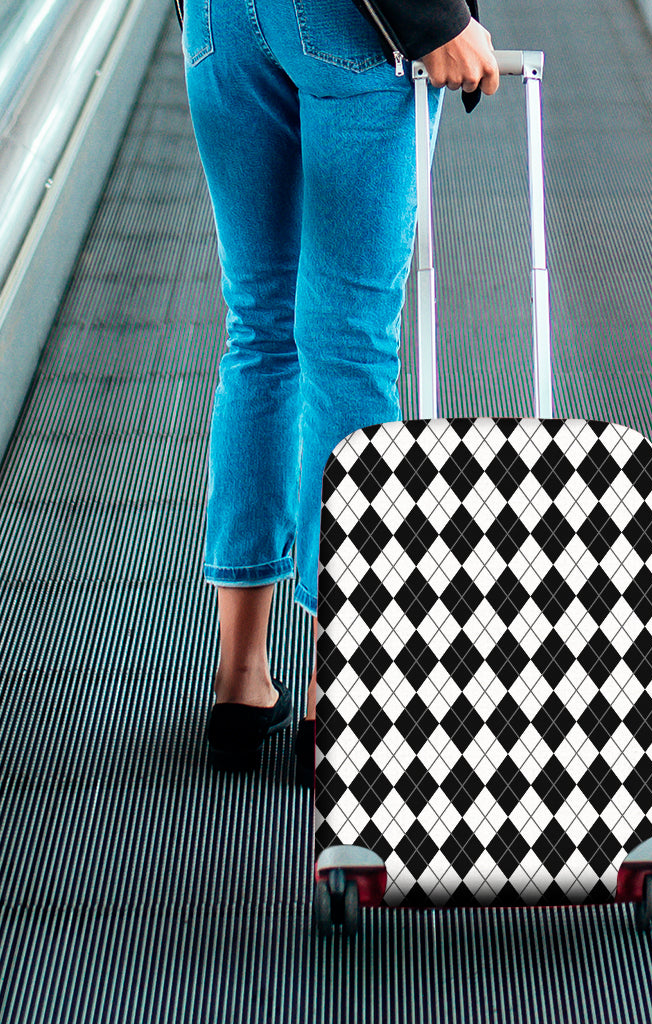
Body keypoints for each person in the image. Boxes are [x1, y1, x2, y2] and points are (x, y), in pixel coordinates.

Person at [182, 0, 499, 779]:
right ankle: (339, 695)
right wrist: (434, 18)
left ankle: (241, 680)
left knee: (258, 332)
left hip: (220, 24)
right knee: (348, 347)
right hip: (352, 28)